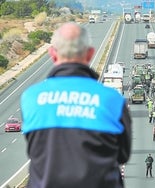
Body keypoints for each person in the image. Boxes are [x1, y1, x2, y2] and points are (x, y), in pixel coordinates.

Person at [20, 22, 132, 188]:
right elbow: (123, 155)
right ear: (90, 54)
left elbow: (35, 149)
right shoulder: (112, 99)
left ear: (52, 54)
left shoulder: (31, 98)